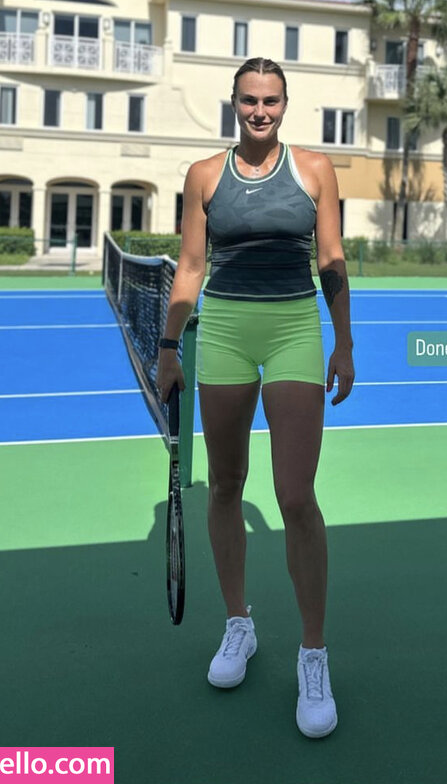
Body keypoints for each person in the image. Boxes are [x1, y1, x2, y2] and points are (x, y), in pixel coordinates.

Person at [157, 56, 354, 739]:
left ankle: (313, 654)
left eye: (270, 100)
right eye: (249, 100)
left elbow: (331, 258)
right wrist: (169, 345)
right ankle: (238, 624)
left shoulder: (316, 169)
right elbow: (191, 265)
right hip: (225, 332)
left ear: (284, 104)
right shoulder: (204, 175)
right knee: (225, 486)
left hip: (295, 326)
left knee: (296, 498)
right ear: (234, 103)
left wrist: (344, 342)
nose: (259, 111)